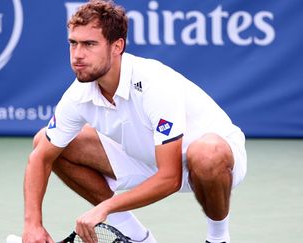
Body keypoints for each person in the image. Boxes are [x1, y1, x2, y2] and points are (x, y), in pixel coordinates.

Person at [22, 0, 247, 242]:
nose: (77, 55)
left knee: (207, 153)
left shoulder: (153, 83)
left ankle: (218, 237)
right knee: (46, 142)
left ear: (117, 46)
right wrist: (33, 225)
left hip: (212, 162)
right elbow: (41, 157)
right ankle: (137, 237)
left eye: (89, 44)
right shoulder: (78, 95)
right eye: (73, 43)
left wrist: (105, 207)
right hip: (145, 156)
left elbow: (170, 178)